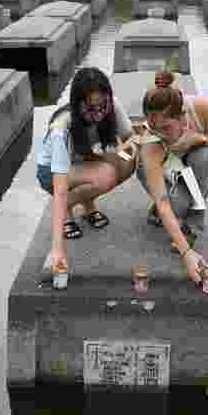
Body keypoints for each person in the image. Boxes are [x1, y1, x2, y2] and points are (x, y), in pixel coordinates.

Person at [35, 67, 138, 276]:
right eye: (91, 108)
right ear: (77, 103)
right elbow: (60, 186)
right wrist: (57, 250)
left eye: (103, 105)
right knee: (106, 175)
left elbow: (130, 136)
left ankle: (88, 203)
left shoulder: (111, 105)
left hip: (83, 164)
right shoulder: (61, 127)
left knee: (127, 163)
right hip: (52, 174)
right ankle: (66, 213)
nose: (99, 113)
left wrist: (129, 147)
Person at [136, 71, 208, 285]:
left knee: (203, 156)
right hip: (163, 167)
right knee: (171, 205)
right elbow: (163, 202)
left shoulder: (200, 108)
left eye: (166, 127)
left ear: (182, 115)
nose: (161, 133)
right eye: (154, 126)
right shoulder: (151, 142)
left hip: (192, 164)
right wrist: (188, 254)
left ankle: (192, 225)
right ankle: (177, 206)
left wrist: (198, 139)